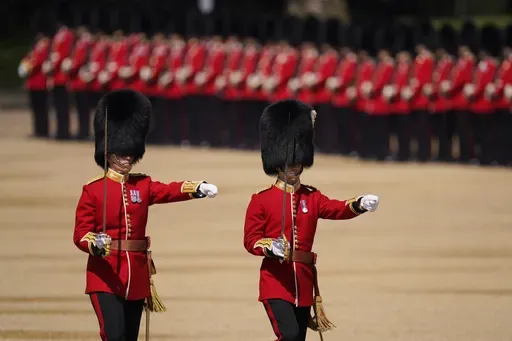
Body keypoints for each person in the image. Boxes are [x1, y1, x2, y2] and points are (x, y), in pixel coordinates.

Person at [73, 89, 219, 341]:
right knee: (114, 335)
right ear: (108, 154)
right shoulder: (94, 190)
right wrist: (93, 243)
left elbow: (169, 190)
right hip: (105, 273)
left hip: (136, 274)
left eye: (130, 151)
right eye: (121, 152)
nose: (127, 157)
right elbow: (80, 234)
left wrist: (197, 188)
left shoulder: (142, 184)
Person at [243, 99, 380, 341]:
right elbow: (251, 240)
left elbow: (336, 209)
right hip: (275, 281)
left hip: (303, 283)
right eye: (290, 164)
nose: (295, 168)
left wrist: (358, 204)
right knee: (289, 335)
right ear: (277, 165)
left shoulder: (311, 196)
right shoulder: (261, 199)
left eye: (298, 163)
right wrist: (269, 246)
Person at [18, 33, 51, 138]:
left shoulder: (43, 49)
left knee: (41, 109)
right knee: (36, 109)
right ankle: (38, 130)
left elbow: (36, 63)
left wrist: (27, 66)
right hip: (33, 83)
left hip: (40, 84)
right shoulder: (35, 50)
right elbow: (28, 60)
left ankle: (42, 131)